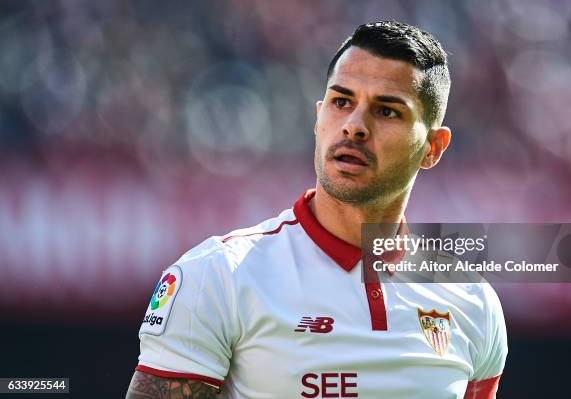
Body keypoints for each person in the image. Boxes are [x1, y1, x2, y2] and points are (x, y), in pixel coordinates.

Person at [126, 21, 507, 399]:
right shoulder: (218, 275)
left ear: (433, 148)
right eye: (342, 102)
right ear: (319, 116)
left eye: (387, 111)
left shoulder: (472, 299)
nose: (355, 126)